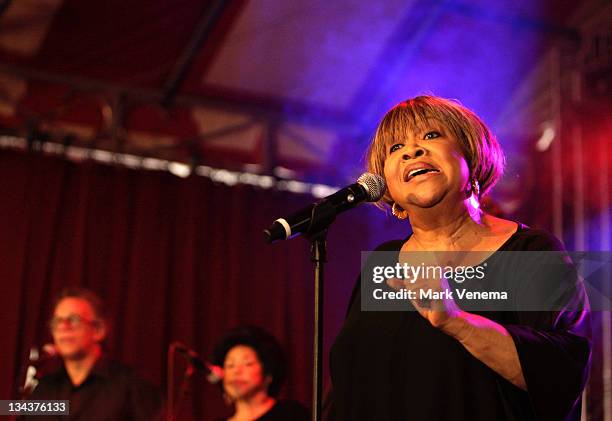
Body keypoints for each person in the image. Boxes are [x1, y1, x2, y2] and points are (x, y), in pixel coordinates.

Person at [328, 96, 591, 421]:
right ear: (388, 187)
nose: (411, 151)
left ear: (471, 154)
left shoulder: (531, 251)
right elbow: (349, 387)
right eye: (396, 148)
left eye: (430, 136)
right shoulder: (382, 264)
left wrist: (456, 321)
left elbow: (561, 371)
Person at [23, 287, 162, 421]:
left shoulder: (131, 386)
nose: (63, 328)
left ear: (98, 330)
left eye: (74, 320)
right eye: (57, 321)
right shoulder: (46, 388)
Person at [212, 326, 310, 421]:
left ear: (268, 373)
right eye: (230, 365)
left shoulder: (292, 414)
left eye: (248, 364)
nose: (236, 371)